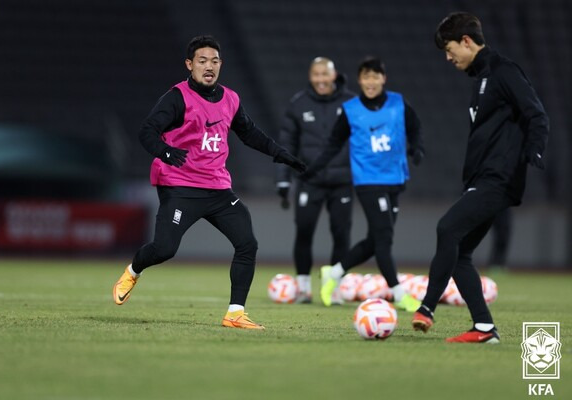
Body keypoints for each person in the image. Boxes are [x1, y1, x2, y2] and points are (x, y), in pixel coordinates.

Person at [112, 35, 306, 330]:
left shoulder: (230, 98)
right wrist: (166, 151)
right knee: (165, 249)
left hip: (217, 188)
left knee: (247, 244)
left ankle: (235, 314)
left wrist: (280, 153)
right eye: (202, 61)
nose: (209, 66)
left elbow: (249, 133)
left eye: (214, 61)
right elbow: (147, 131)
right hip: (180, 185)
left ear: (221, 65)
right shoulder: (176, 98)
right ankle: (134, 270)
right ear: (189, 65)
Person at [412, 12, 549, 343]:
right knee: (459, 253)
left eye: (449, 50)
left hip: (498, 178)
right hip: (483, 177)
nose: (448, 58)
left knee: (447, 228)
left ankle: (427, 308)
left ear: (467, 41)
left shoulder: (504, 71)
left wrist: (535, 152)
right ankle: (484, 328)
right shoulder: (483, 79)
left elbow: (536, 114)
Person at [301, 56, 425, 311]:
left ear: (383, 78)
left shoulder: (398, 103)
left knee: (376, 240)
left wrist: (416, 148)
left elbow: (415, 128)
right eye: (366, 77)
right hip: (369, 181)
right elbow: (333, 144)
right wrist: (313, 168)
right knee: (384, 238)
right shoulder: (351, 110)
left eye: (375, 76)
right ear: (360, 80)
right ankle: (400, 294)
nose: (370, 81)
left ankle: (333, 273)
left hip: (395, 179)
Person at [276, 57, 356, 304]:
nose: (321, 79)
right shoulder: (298, 104)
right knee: (304, 230)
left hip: (343, 179)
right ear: (311, 77)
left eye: (325, 74)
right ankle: (303, 287)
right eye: (316, 75)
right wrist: (283, 180)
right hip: (310, 180)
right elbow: (287, 144)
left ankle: (335, 288)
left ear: (334, 75)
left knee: (341, 234)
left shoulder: (352, 103)